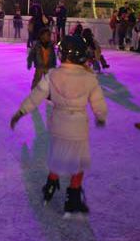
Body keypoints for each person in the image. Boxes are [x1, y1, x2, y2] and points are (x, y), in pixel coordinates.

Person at [10, 35, 107, 217]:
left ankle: (51, 184)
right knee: (78, 162)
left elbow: (36, 95)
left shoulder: (53, 75)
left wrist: (21, 112)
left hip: (58, 124)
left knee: (58, 155)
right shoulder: (89, 77)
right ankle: (73, 196)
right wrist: (100, 115)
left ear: (62, 54)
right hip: (78, 126)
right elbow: (97, 100)